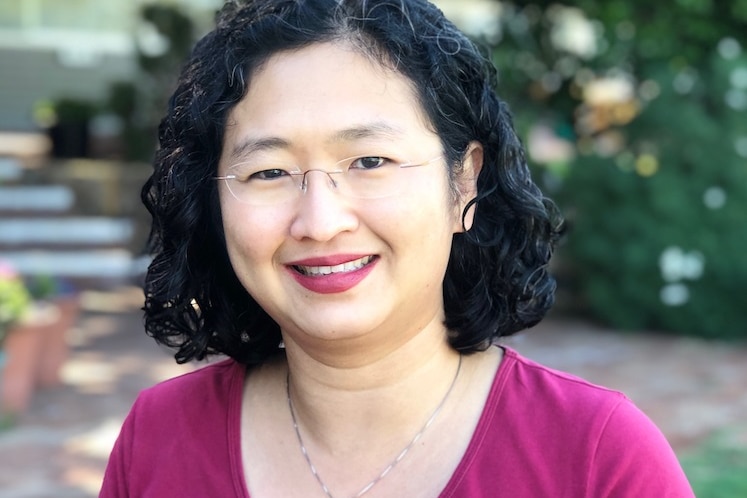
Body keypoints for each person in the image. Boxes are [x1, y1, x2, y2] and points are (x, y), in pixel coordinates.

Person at [100, 0, 694, 496]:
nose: (320, 221)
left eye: (370, 161)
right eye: (269, 172)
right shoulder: (158, 439)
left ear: (464, 182)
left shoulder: (596, 457)